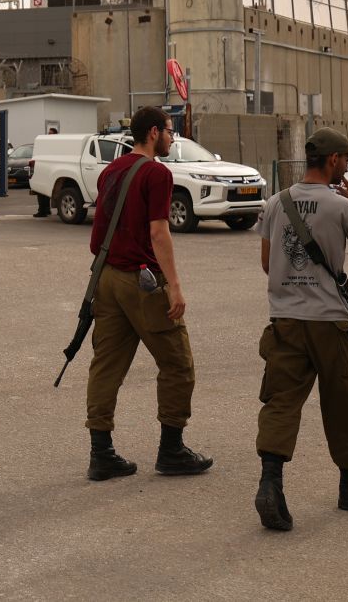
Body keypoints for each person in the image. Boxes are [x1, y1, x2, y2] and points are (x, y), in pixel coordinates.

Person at [253, 127, 348, 532]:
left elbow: (266, 263)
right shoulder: (342, 206)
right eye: (346, 160)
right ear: (332, 161)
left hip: (286, 320)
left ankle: (270, 485)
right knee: (342, 400)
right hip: (330, 320)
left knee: (280, 401)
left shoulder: (276, 203)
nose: (347, 167)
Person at [83, 105, 212, 482]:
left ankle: (100, 453)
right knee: (177, 363)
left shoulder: (111, 170)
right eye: (170, 132)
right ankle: (171, 449)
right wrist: (174, 285)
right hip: (141, 280)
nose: (173, 138)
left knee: (106, 366)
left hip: (105, 277)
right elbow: (159, 232)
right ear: (154, 133)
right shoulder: (157, 173)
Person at [33, 128, 57, 217]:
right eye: (48, 133)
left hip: (50, 170)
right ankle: (45, 209)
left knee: (43, 190)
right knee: (43, 190)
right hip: (47, 169)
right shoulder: (49, 144)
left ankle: (43, 211)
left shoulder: (53, 144)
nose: (49, 135)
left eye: (51, 134)